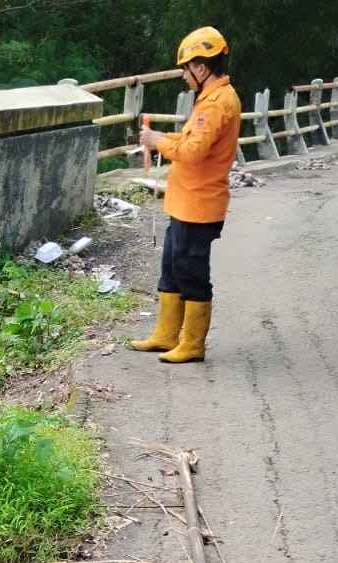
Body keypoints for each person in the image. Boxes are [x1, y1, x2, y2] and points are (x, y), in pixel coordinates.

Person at [131, 26, 242, 364]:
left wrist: (156, 142)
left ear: (202, 68)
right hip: (185, 202)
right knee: (171, 267)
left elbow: (193, 153)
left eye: (186, 68)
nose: (183, 75)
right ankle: (166, 335)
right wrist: (163, 137)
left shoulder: (217, 104)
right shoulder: (207, 100)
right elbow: (191, 142)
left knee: (191, 272)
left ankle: (192, 344)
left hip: (200, 204)